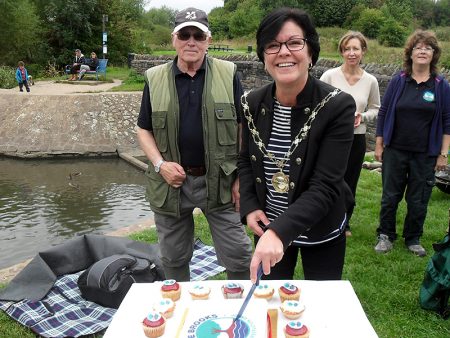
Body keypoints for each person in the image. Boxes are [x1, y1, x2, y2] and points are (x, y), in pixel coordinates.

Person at [238, 7, 356, 283]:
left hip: (320, 227)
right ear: (263, 56)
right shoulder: (250, 103)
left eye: (294, 42)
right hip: (268, 227)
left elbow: (326, 185)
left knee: (321, 310)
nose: (284, 52)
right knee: (269, 305)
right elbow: (245, 159)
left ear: (310, 52)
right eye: (273, 45)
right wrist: (250, 205)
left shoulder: (337, 106)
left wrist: (279, 232)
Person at [136, 7, 252, 281]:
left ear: (207, 41)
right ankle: (180, 311)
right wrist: (160, 164)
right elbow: (143, 129)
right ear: (174, 39)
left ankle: (240, 309)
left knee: (238, 254)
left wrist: (241, 177)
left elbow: (242, 127)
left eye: (198, 36)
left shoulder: (228, 73)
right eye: (184, 34)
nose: (191, 42)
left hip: (221, 181)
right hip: (170, 183)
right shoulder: (154, 78)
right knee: (173, 257)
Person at [374, 30, 450, 257]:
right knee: (390, 196)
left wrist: (443, 154)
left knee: (418, 199)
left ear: (434, 54)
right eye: (419, 47)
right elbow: (384, 112)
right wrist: (379, 144)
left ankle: (413, 238)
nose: (423, 51)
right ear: (411, 53)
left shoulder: (440, 85)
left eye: (428, 47)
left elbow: (447, 120)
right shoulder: (399, 80)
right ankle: (385, 235)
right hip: (395, 149)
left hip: (425, 154)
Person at [320, 31, 380, 237]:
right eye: (347, 49)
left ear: (363, 51)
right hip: (331, 139)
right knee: (328, 179)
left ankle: (344, 223)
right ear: (342, 52)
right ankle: (324, 218)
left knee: (349, 182)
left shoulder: (371, 81)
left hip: (356, 139)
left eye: (356, 48)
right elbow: (319, 105)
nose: (351, 53)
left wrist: (361, 117)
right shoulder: (329, 76)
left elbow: (376, 109)